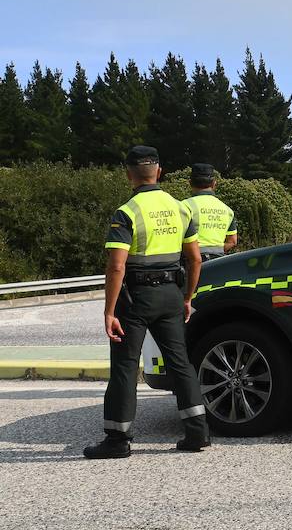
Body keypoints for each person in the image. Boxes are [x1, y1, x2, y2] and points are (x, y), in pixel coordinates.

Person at [84, 145, 212, 459]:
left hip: (136, 297)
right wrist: (187, 297)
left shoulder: (126, 212)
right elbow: (195, 260)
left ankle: (118, 440)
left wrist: (109, 310)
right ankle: (198, 433)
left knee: (126, 367)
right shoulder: (182, 209)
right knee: (180, 362)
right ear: (160, 171)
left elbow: (116, 265)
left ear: (129, 174)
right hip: (171, 293)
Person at [183, 163, 237, 261]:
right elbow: (232, 241)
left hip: (190, 261)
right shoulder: (227, 210)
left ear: (190, 183)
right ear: (214, 184)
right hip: (218, 262)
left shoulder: (183, 206)